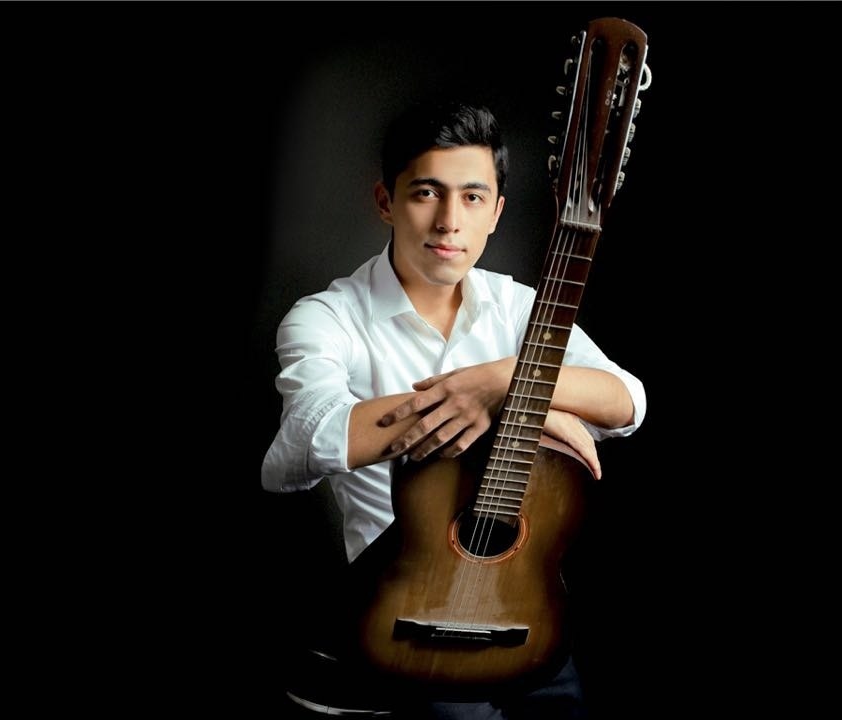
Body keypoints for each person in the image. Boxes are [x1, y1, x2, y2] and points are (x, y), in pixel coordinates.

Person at [261, 98, 647, 719]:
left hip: (524, 606)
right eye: (426, 193)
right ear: (386, 201)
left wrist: (505, 382)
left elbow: (628, 400)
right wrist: (517, 405)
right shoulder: (326, 317)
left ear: (496, 212)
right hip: (401, 617)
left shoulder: (518, 308)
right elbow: (306, 441)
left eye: (472, 197)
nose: (449, 222)